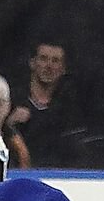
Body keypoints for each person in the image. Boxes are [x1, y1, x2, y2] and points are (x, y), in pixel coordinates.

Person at [8, 40, 88, 168]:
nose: (49, 66)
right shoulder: (10, 100)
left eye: (55, 61)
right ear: (32, 63)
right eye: (43, 59)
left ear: (63, 69)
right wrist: (10, 123)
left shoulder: (70, 109)